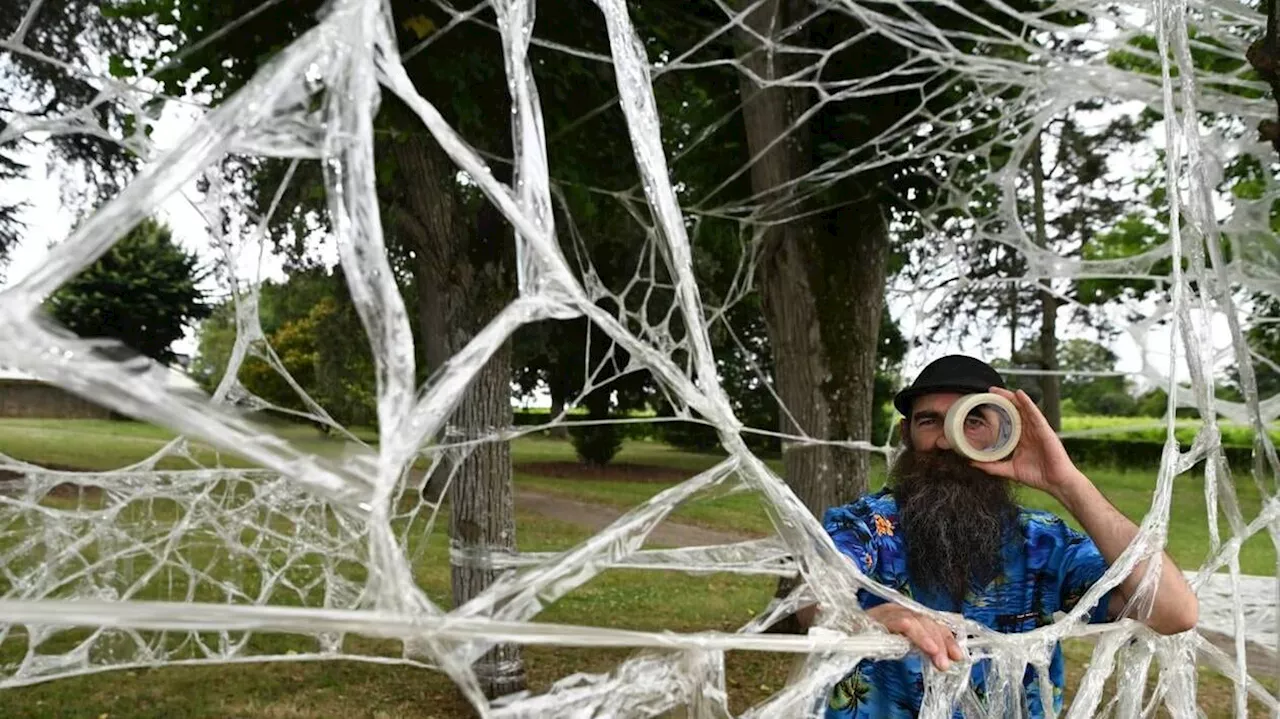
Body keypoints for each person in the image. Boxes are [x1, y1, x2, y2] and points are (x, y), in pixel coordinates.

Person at [803, 355, 1198, 718]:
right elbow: (811, 605)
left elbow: (1173, 612)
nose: (947, 440)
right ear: (907, 432)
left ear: (1004, 432)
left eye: (971, 421)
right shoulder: (866, 527)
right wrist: (871, 617)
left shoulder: (1039, 544)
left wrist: (1067, 484)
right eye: (930, 421)